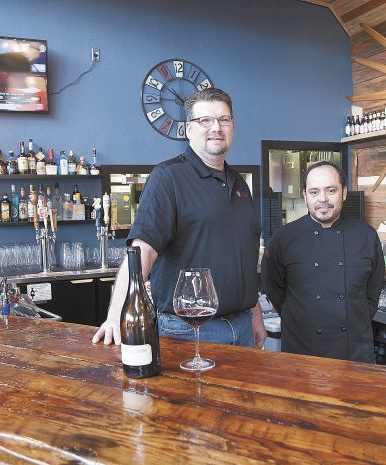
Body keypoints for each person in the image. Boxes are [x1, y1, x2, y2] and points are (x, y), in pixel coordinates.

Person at [93, 88, 266, 348]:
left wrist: (255, 315)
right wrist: (117, 313)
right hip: (188, 330)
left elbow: (245, 257)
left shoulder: (240, 184)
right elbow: (142, 250)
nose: (216, 127)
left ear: (233, 126)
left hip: (242, 327)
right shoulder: (168, 177)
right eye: (205, 120)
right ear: (188, 130)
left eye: (224, 119)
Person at [261, 161, 384, 363]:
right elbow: (273, 287)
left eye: (331, 190)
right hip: (302, 351)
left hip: (355, 353)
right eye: (314, 192)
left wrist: (355, 320)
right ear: (305, 195)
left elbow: (373, 292)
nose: (323, 199)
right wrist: (299, 317)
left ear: (344, 192)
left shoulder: (366, 236)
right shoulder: (284, 238)